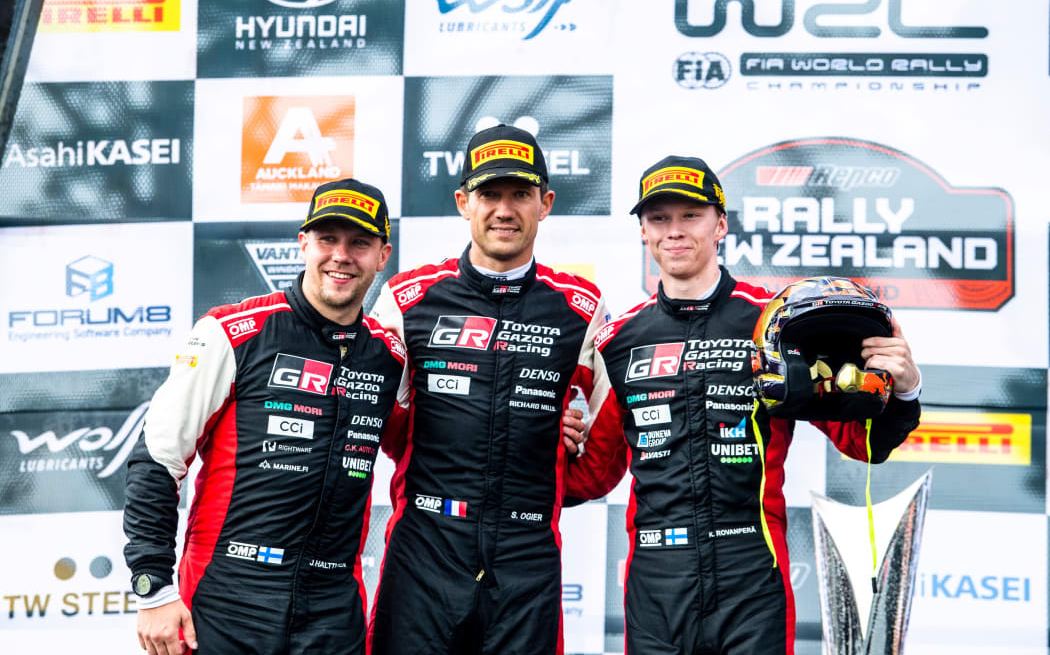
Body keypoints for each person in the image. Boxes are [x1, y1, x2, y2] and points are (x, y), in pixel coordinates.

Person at [564, 155, 922, 655]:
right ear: (643, 232)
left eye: (691, 215)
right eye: (659, 219)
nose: (675, 231)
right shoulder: (618, 339)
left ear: (721, 225)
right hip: (656, 577)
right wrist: (547, 441)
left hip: (751, 569)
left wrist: (904, 388)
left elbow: (864, 442)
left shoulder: (779, 323)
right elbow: (593, 475)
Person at [123, 178, 408, 655]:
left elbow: (435, 443)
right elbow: (157, 460)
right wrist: (154, 587)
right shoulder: (233, 333)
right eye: (327, 240)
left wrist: (559, 434)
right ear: (303, 245)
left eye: (360, 242)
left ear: (382, 256)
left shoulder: (388, 356)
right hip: (228, 597)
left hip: (334, 607)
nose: (341, 255)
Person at [367, 124, 606, 655]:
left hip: (528, 554)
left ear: (545, 203)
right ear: (462, 203)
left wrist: (572, 447)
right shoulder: (408, 299)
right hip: (426, 546)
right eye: (489, 194)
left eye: (520, 194)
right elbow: (381, 424)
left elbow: (605, 446)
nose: (504, 209)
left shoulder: (582, 307)